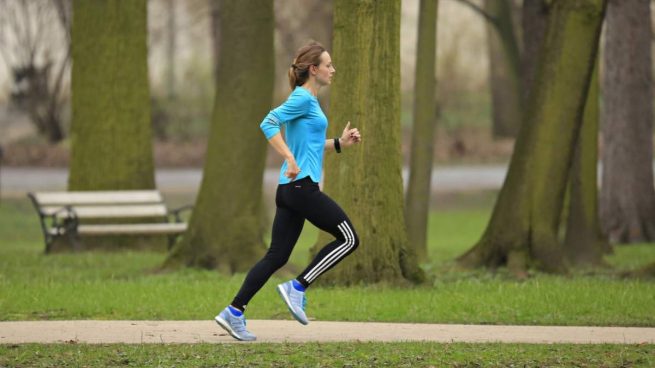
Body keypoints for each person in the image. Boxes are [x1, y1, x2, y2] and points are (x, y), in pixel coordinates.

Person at [214, 41, 362, 341]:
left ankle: (234, 311)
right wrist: (289, 158)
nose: (333, 69)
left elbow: (307, 145)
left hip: (289, 189)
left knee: (276, 256)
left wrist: (339, 143)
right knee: (349, 238)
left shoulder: (309, 102)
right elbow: (268, 122)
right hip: (301, 188)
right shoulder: (303, 99)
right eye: (328, 65)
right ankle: (298, 287)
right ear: (314, 69)